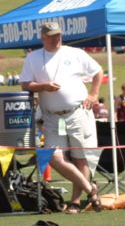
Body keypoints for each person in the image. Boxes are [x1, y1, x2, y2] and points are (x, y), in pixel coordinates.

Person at [20, 21, 102, 214]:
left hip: (77, 112)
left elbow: (98, 71)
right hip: (52, 117)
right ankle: (91, 190)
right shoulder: (33, 58)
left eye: (58, 35)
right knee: (53, 156)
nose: (57, 38)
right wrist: (44, 86)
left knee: (80, 158)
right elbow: (25, 84)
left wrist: (94, 94)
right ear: (43, 37)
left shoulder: (75, 53)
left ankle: (75, 201)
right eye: (52, 35)